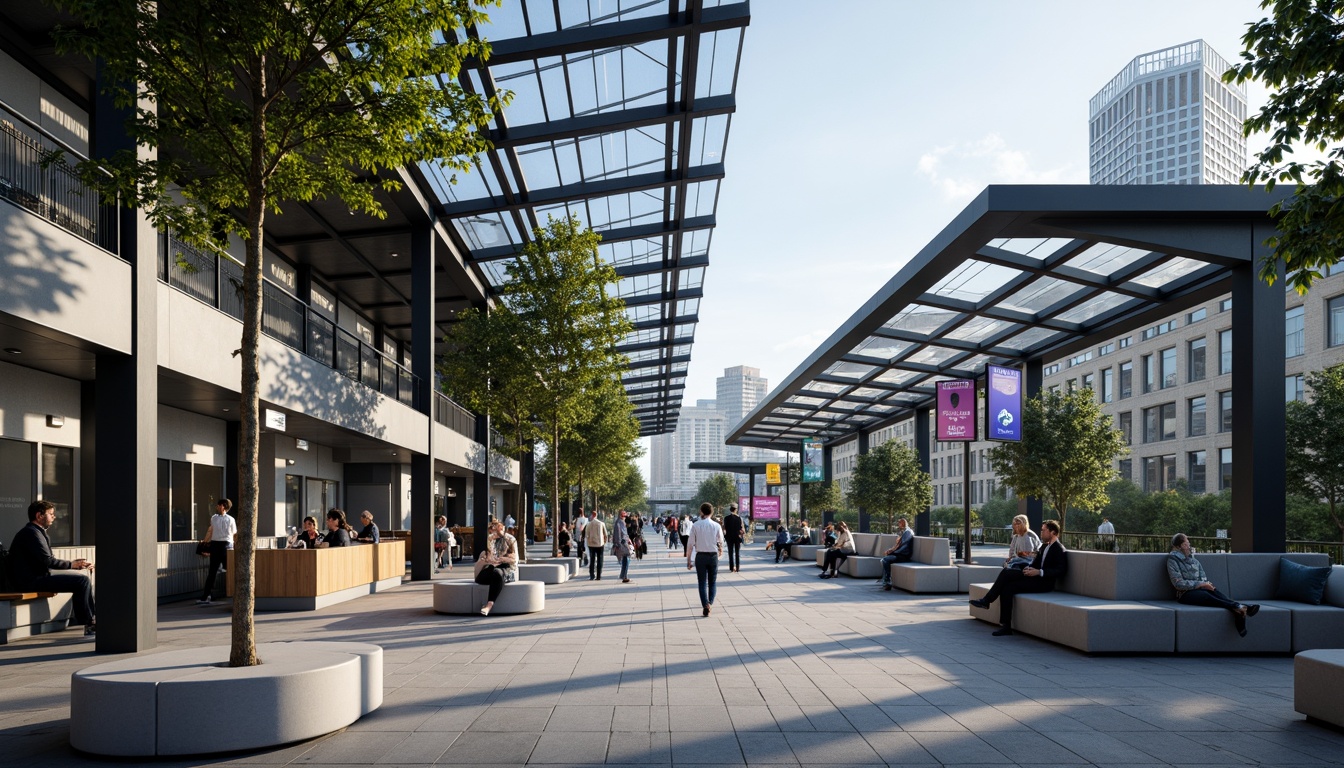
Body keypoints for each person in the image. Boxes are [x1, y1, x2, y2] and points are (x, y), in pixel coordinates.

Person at [9, 500, 96, 636]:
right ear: (39, 516)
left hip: (37, 578)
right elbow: (48, 561)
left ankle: (91, 620)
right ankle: (90, 623)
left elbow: (46, 561)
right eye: (51, 514)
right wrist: (72, 565)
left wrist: (73, 564)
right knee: (81, 582)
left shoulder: (36, 532)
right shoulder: (31, 533)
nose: (54, 517)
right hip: (31, 581)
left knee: (82, 580)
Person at [969, 520, 1067, 636]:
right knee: (1007, 586)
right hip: (1035, 577)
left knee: (1007, 574)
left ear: (1053, 532)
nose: (1041, 532)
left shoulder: (1059, 549)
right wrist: (1029, 568)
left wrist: (1039, 572)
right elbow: (1036, 563)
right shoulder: (1044, 547)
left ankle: (987, 600)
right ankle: (1006, 626)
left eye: (1043, 530)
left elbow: (1061, 571)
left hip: (1044, 583)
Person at [1167, 532, 1259, 637]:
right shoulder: (1172, 560)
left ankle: (1239, 610)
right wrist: (1201, 584)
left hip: (1200, 589)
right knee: (1207, 595)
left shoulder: (1195, 561)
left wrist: (1206, 584)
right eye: (1187, 543)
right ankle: (1240, 607)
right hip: (1184, 594)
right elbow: (1178, 583)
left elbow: (1203, 577)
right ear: (1180, 546)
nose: (1189, 545)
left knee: (1215, 592)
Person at [686, 502, 726, 616]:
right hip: (713, 556)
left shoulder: (696, 525)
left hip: (701, 556)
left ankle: (705, 604)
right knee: (712, 582)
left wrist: (689, 560)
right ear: (712, 512)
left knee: (702, 582)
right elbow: (721, 542)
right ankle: (710, 603)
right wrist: (720, 551)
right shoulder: (716, 525)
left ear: (701, 512)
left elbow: (690, 545)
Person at [197, 498, 237, 605]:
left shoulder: (214, 518)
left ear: (223, 506)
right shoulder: (231, 519)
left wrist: (204, 543)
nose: (217, 507)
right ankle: (235, 594)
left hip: (218, 545)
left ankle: (206, 597)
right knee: (230, 570)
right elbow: (234, 534)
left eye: (219, 505)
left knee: (212, 572)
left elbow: (210, 531)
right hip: (227, 546)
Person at [474, 520, 518, 616]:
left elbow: (514, 560)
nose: (493, 534)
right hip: (493, 566)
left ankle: (489, 605)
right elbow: (489, 555)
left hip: (507, 567)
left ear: (501, 529)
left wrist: (502, 559)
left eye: (496, 531)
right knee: (482, 577)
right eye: (491, 531)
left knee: (497, 574)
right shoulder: (490, 539)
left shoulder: (510, 539)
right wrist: (487, 559)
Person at [877, 517, 914, 590]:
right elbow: (899, 544)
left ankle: (887, 581)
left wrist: (893, 552)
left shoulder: (908, 532)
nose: (898, 525)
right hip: (900, 554)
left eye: (899, 523)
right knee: (884, 559)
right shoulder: (905, 532)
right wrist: (891, 551)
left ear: (903, 523)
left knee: (885, 560)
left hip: (903, 556)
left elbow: (903, 546)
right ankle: (885, 580)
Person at [612, 510, 634, 583]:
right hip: (622, 543)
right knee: (627, 558)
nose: (625, 517)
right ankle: (624, 576)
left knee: (626, 559)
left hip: (624, 542)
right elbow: (617, 534)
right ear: (621, 515)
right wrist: (618, 544)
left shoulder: (622, 522)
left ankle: (623, 575)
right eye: (624, 515)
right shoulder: (618, 523)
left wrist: (629, 539)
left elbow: (625, 533)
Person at [584, 510, 607, 580]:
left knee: (592, 559)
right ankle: (598, 575)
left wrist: (589, 541)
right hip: (600, 544)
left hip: (591, 544)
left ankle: (591, 575)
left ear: (592, 515)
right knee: (600, 559)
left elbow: (586, 534)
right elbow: (605, 534)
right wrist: (604, 542)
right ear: (596, 515)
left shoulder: (588, 524)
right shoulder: (601, 523)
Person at [723, 503, 745, 573]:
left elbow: (724, 529)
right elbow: (742, 529)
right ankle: (737, 567)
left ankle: (732, 568)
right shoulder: (739, 518)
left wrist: (725, 536)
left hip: (729, 538)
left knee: (730, 552)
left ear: (730, 510)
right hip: (737, 537)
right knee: (737, 553)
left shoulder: (726, 518)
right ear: (736, 510)